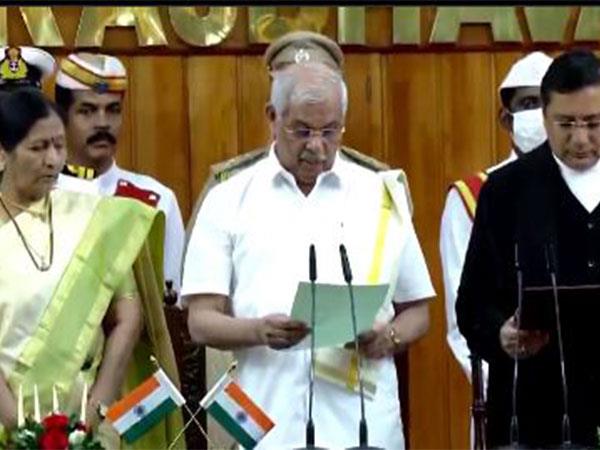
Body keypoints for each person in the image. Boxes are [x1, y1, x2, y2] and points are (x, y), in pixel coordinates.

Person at [182, 62, 434, 449]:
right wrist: (259, 331)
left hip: (364, 423)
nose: (316, 146)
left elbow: (418, 310)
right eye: (301, 131)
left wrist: (390, 337)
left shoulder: (379, 195)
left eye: (330, 131)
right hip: (266, 424)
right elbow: (200, 322)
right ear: (272, 117)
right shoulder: (229, 198)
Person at [0, 88, 184, 449]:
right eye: (38, 148)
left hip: (89, 427)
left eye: (58, 145)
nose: (53, 160)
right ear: (2, 154)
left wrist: (95, 409)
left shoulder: (94, 217)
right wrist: (20, 431)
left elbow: (128, 317)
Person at [456, 49, 600, 448]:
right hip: (532, 411)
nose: (580, 138)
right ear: (545, 118)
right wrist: (500, 335)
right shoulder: (506, 192)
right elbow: (471, 305)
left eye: (593, 123)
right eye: (566, 123)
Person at [441, 51, 553, 381]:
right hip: (505, 388)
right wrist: (496, 389)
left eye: (548, 102)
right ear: (506, 119)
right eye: (530, 103)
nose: (541, 113)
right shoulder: (472, 196)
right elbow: (462, 317)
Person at [53, 52, 185, 293]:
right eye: (87, 111)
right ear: (62, 118)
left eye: (113, 110)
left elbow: (170, 299)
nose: (103, 123)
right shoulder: (37, 195)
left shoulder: (155, 199)